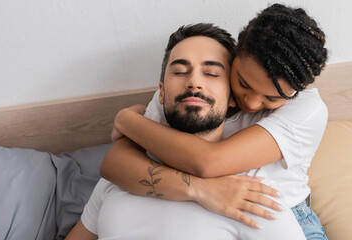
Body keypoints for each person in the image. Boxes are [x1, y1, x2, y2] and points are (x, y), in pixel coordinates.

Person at [102, 4, 329, 239]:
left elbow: (209, 163)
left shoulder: (307, 110)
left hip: (286, 217)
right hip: (209, 211)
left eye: (271, 98)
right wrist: (201, 191)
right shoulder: (193, 93)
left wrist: (126, 119)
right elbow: (114, 163)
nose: (251, 103)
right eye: (243, 83)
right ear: (236, 56)